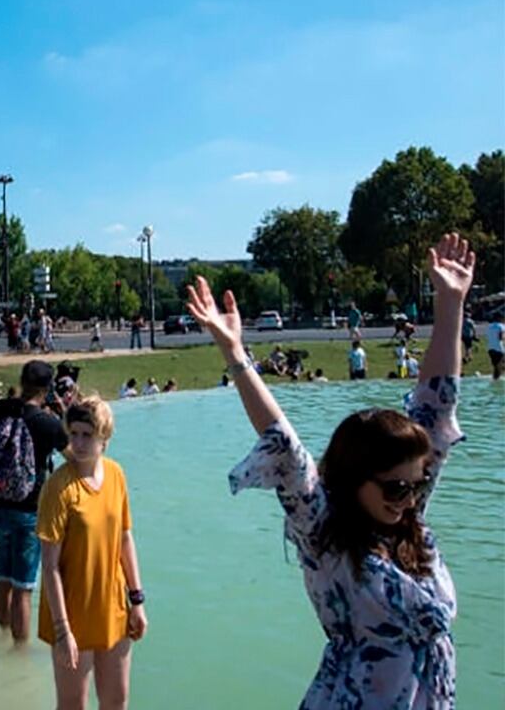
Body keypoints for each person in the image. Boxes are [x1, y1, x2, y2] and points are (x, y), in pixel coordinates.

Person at [184, 232, 474, 708]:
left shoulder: (407, 519)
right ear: (356, 477)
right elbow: (285, 445)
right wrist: (235, 353)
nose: (410, 498)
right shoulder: (325, 531)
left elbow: (436, 404)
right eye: (397, 488)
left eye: (417, 484)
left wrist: (451, 304)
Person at [37, 395, 146, 709]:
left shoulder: (116, 475)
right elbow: (50, 566)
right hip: (71, 611)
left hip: (113, 605)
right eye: (74, 434)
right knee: (73, 704)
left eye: (88, 435)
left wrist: (137, 600)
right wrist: (63, 630)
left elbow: (125, 538)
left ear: (104, 439)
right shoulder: (59, 487)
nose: (79, 443)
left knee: (116, 700)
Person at [0, 360, 69, 646]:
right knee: (23, 589)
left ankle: (1, 635)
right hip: (31, 511)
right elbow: (79, 459)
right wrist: (63, 415)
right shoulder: (48, 424)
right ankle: (18, 652)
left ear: (21, 381)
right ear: (47, 389)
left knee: (3, 578)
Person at [487, 313, 505, 380]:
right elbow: (501, 337)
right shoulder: (501, 326)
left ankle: (495, 378)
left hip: (490, 348)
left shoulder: (489, 326)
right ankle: (497, 379)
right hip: (499, 348)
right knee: (499, 364)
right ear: (500, 318)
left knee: (496, 365)